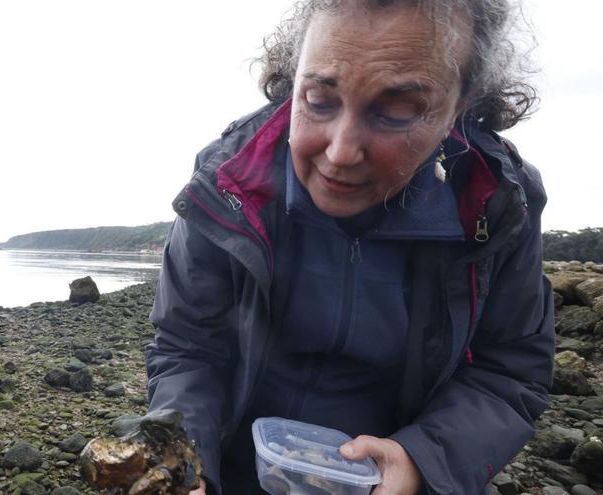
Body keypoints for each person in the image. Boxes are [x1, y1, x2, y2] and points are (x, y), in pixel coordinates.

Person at [144, 1, 555, 494]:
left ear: (459, 108)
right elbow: (188, 348)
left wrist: (423, 461)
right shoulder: (230, 184)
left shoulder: (497, 199)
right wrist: (188, 466)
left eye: (398, 111)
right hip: (237, 467)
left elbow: (510, 370)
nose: (339, 152)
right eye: (318, 100)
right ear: (293, 82)